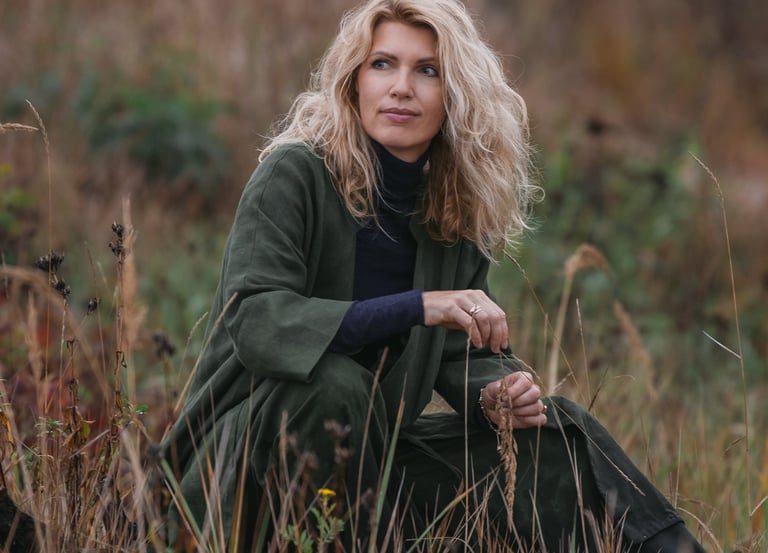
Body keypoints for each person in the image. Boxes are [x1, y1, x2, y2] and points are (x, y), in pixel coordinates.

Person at [162, 0, 706, 551]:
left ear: (456, 97)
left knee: (557, 434)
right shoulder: (294, 175)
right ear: (353, 82)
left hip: (370, 469)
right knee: (333, 387)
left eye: (428, 71)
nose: (401, 87)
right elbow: (256, 320)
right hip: (237, 474)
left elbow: (460, 351)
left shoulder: (447, 210)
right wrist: (419, 305)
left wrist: (495, 393)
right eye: (382, 64)